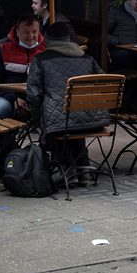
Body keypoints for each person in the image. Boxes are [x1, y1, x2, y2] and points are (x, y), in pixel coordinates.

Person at [26, 21, 108, 177]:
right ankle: (83, 168)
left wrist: (38, 119)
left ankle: (66, 169)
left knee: (57, 120)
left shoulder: (41, 59)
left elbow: (34, 95)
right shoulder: (87, 59)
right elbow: (103, 82)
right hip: (94, 120)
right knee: (73, 116)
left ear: (47, 40)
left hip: (60, 123)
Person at [0, 14, 44, 121]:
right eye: (26, 32)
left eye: (34, 32)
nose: (31, 36)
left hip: (37, 96)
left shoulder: (46, 48)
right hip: (6, 95)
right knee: (2, 108)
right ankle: (3, 137)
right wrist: (13, 98)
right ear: (17, 31)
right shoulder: (1, 48)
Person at [107, 0, 137, 69]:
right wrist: (118, 41)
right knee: (124, 56)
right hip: (119, 50)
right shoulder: (116, 13)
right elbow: (103, 33)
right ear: (130, 1)